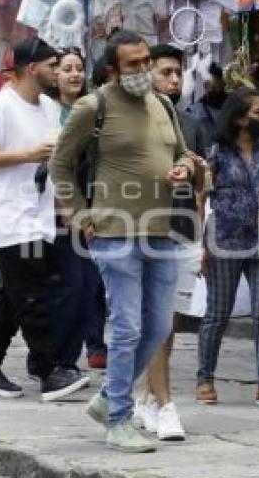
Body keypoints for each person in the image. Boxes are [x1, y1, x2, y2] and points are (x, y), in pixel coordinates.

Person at [51, 31, 194, 453]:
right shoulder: (92, 106)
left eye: (146, 61)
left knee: (160, 326)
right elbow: (60, 164)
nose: (143, 70)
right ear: (113, 70)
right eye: (132, 64)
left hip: (161, 230)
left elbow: (183, 153)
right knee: (129, 326)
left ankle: (108, 397)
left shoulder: (163, 103)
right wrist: (80, 213)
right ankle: (118, 419)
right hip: (114, 233)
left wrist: (184, 169)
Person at [0, 38, 89, 403]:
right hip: (11, 217)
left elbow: (56, 162)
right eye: (53, 65)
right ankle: (50, 370)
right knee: (33, 298)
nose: (60, 71)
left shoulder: (50, 109)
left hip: (42, 214)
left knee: (15, 298)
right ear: (31, 67)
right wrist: (28, 154)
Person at [196, 87, 259, 406]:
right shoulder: (217, 152)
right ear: (239, 118)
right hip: (223, 239)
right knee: (218, 314)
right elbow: (200, 197)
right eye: (258, 111)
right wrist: (199, 244)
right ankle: (205, 379)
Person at [132, 44, 206, 441]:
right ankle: (166, 406)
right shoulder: (132, 121)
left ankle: (146, 394)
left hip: (185, 229)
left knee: (170, 324)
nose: (174, 79)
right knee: (157, 321)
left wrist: (197, 172)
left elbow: (202, 187)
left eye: (178, 72)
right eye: (166, 72)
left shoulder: (190, 122)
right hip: (145, 230)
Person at [44, 47, 107, 373]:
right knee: (67, 282)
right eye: (67, 68)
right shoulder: (47, 111)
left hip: (94, 202)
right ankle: (58, 350)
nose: (74, 74)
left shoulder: (94, 110)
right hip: (55, 206)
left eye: (79, 68)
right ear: (55, 75)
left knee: (93, 281)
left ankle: (95, 344)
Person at [185, 62, 227, 155]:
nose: (212, 88)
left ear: (223, 83)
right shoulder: (193, 111)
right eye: (208, 84)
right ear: (204, 85)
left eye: (216, 85)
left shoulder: (233, 107)